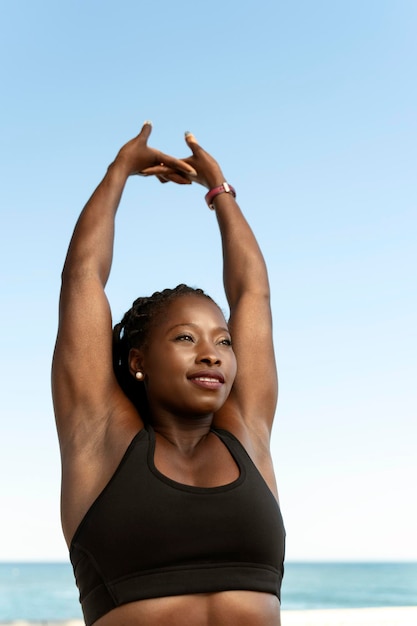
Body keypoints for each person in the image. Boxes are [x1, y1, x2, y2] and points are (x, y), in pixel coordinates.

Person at [52, 122, 285, 626]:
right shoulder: (100, 438)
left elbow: (252, 295)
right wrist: (119, 172)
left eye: (223, 341)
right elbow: (82, 277)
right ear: (138, 361)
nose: (212, 353)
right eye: (186, 338)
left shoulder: (247, 432)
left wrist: (219, 190)